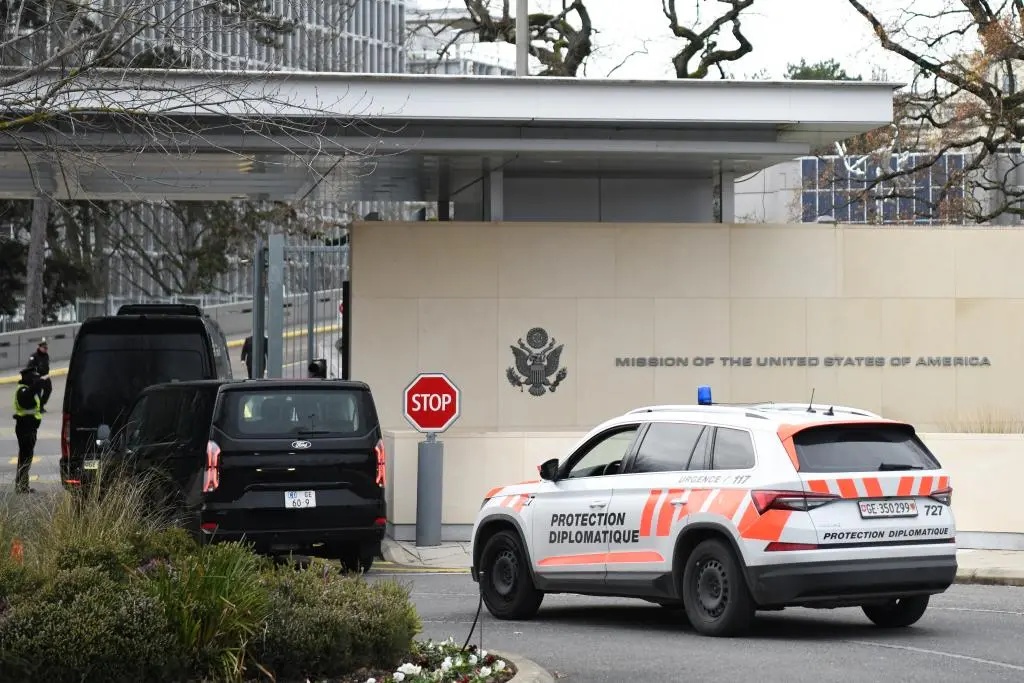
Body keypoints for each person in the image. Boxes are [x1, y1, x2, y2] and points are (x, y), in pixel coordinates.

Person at [12, 367, 42, 494]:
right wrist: (35, 387)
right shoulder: (23, 390)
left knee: (26, 458)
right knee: (25, 458)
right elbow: (27, 401)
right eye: (33, 377)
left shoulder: (28, 389)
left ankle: (23, 485)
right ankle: (21, 486)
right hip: (25, 428)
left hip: (30, 428)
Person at [26, 338, 51, 413]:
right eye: (44, 348)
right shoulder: (34, 356)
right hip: (37, 377)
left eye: (46, 348)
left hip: (45, 376)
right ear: (40, 347)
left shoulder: (46, 355)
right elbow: (29, 368)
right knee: (38, 392)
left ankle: (42, 404)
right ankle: (39, 407)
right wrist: (36, 376)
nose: (46, 349)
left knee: (48, 390)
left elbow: (46, 366)